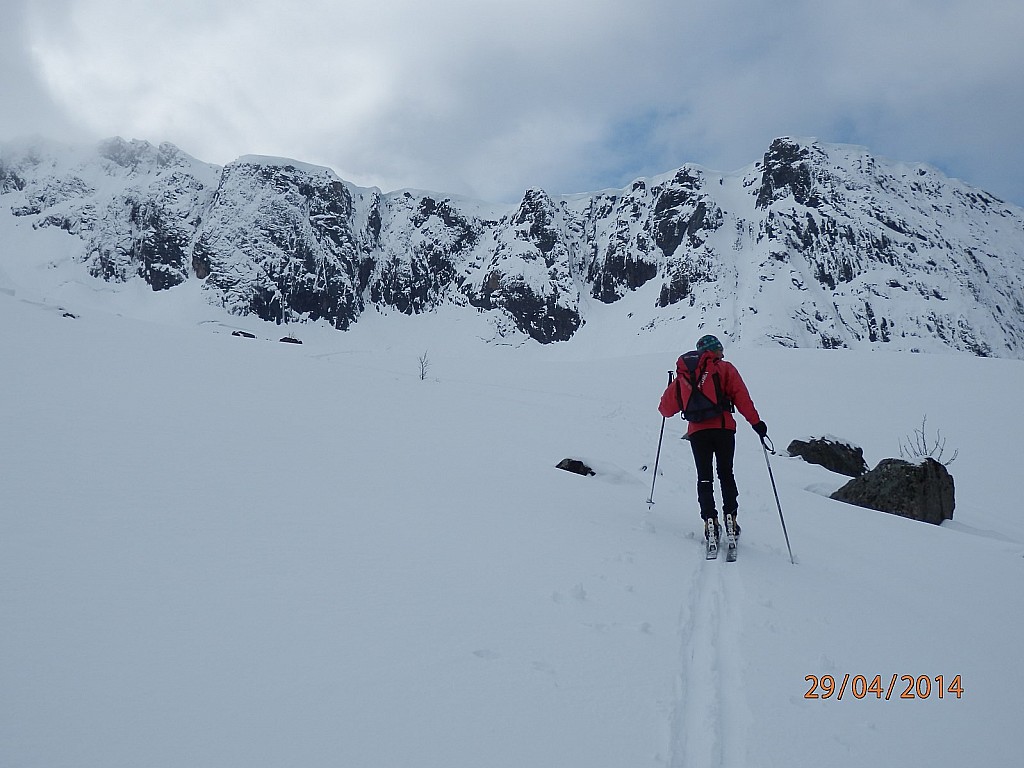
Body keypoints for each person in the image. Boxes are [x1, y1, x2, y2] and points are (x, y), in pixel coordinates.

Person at [658, 334, 768, 545]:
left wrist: (674, 386)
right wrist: (757, 424)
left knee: (704, 477)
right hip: (724, 428)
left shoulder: (684, 375)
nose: (723, 353)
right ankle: (731, 519)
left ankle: (710, 521)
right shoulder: (725, 369)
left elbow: (665, 409)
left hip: (697, 432)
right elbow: (742, 398)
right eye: (720, 349)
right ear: (715, 350)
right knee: (726, 474)